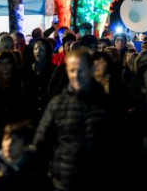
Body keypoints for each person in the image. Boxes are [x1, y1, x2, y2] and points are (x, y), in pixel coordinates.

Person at [34, 48, 112, 190]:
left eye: (81, 70)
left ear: (91, 70)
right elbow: (41, 143)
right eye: (72, 70)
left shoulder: (106, 103)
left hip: (100, 179)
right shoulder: (58, 104)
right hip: (65, 179)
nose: (76, 75)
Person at [0, 51, 36, 158]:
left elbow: (29, 107)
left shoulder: (21, 82)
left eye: (8, 63)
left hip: (16, 130)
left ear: (13, 65)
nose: (5, 67)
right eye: (2, 64)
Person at [0, 120, 44, 191]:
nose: (8, 144)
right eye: (6, 139)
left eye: (14, 141)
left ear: (24, 145)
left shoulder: (33, 172)